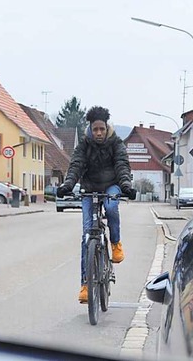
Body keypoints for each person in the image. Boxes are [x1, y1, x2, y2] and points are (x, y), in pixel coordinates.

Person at [56, 106, 136, 303]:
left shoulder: (116, 143)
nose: (98, 133)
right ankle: (85, 284)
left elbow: (122, 165)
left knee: (110, 207)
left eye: (101, 129)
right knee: (86, 236)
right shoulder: (84, 145)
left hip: (112, 186)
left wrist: (125, 185)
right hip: (90, 188)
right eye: (95, 129)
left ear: (106, 127)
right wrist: (68, 184)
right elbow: (76, 165)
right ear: (90, 129)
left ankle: (116, 244)